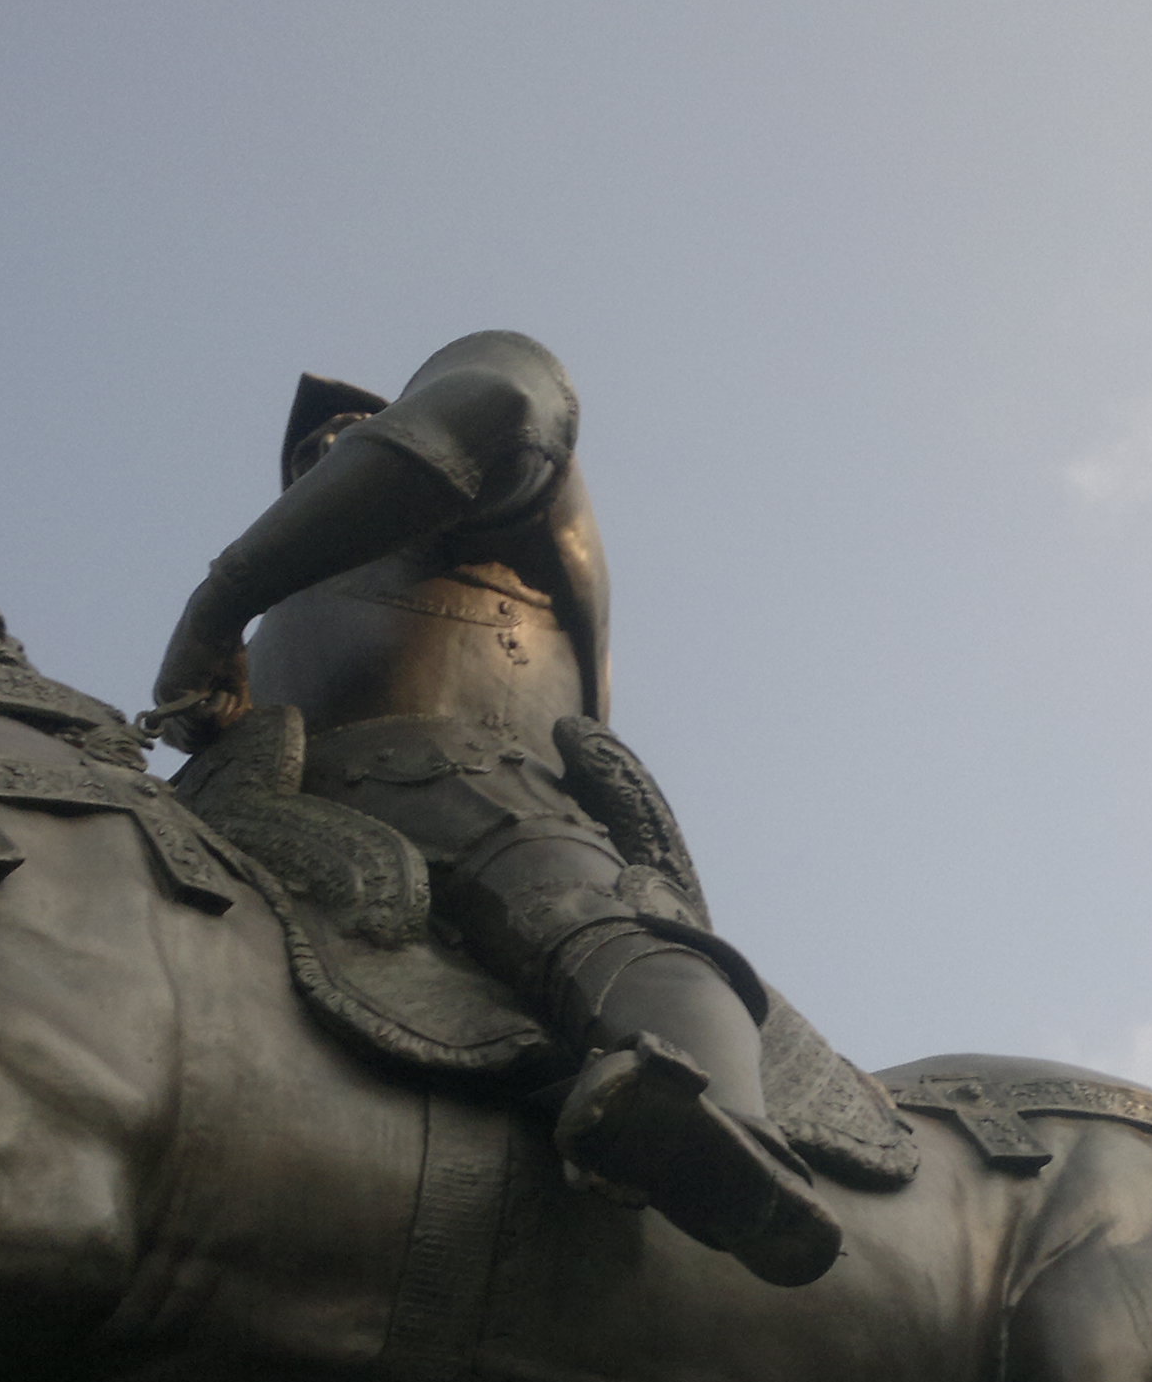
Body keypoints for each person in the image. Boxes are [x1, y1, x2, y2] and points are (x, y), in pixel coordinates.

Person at [149, 332, 839, 1287]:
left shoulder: (496, 483)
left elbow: (501, 407)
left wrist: (217, 601)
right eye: (311, 450)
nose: (328, 451)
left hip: (464, 774)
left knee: (560, 896)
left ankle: (727, 1135)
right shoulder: (289, 610)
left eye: (353, 429)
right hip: (267, 816)